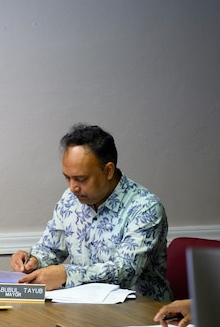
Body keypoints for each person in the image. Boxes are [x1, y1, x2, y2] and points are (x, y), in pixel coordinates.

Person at [10, 123, 172, 301]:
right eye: (67, 178)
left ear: (108, 171)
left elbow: (125, 272)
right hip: (84, 309)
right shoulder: (70, 199)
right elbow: (51, 249)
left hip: (141, 314)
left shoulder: (145, 207)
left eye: (81, 179)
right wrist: (33, 261)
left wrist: (65, 275)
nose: (72, 188)